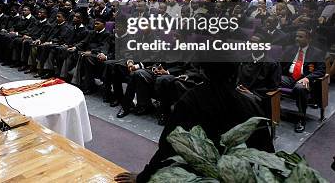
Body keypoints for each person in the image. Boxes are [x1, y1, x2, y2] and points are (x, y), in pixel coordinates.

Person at [115, 62, 274, 183]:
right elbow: (267, 154)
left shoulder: (190, 101)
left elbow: (168, 147)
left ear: (203, 72)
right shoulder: (250, 104)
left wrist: (143, 177)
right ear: (236, 74)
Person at [280, 29, 325, 133]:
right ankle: (270, 111)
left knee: (300, 87)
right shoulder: (289, 49)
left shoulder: (317, 52)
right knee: (270, 79)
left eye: (301, 37)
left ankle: (301, 118)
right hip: (289, 78)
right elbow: (280, 63)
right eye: (296, 36)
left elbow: (321, 70)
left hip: (305, 79)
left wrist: (308, 78)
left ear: (308, 39)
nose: (297, 39)